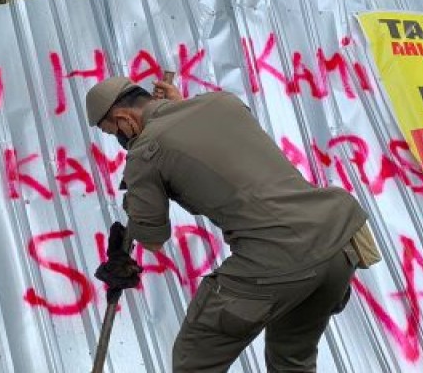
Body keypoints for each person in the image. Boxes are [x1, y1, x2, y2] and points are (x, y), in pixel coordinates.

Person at [85, 76, 369, 372]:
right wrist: (179, 106)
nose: (119, 139)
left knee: (193, 361)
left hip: (277, 258)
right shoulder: (223, 102)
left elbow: (153, 239)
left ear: (124, 119)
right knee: (292, 361)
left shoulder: (144, 152)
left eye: (113, 131)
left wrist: (136, 197)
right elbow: (217, 141)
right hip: (338, 242)